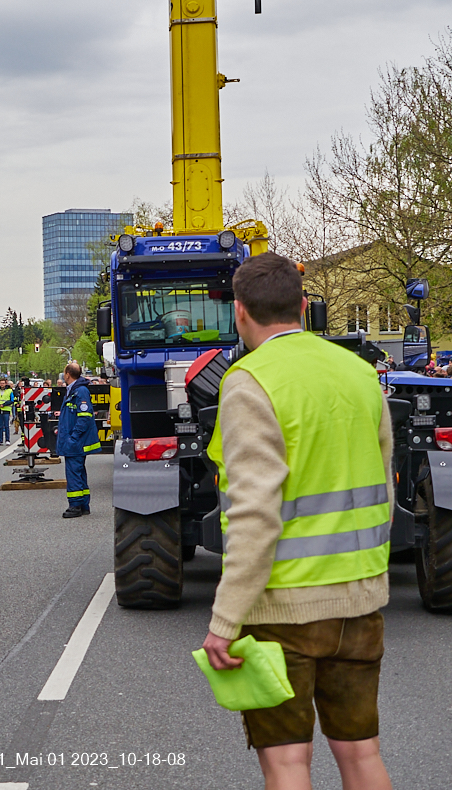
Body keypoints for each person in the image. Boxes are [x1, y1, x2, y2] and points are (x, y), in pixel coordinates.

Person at [200, 253, 393, 790]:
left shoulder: (249, 382)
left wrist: (225, 619)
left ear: (240, 313)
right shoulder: (359, 373)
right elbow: (382, 479)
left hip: (283, 612)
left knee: (287, 764)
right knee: (361, 755)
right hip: (360, 602)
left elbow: (255, 513)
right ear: (304, 307)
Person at [56, 362, 101, 518]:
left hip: (76, 442)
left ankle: (75, 506)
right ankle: (83, 505)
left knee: (74, 472)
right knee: (79, 471)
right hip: (74, 440)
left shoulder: (79, 391)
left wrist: (73, 437)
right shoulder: (75, 390)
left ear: (68, 374)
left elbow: (84, 417)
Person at [0, 377, 15, 445]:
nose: (2, 384)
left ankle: (7, 440)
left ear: (5, 384)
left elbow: (12, 400)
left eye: (3, 383)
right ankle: (0, 440)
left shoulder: (9, 391)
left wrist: (4, 404)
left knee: (6, 426)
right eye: (1, 383)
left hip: (6, 410)